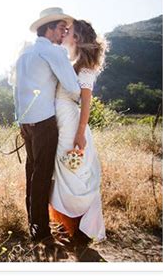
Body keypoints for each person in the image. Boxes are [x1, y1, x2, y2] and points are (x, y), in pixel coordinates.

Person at [14, 7, 80, 245]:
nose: (64, 33)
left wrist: (19, 117)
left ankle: (34, 223)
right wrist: (78, 102)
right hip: (44, 121)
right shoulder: (54, 52)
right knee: (42, 174)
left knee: (32, 172)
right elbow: (72, 87)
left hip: (25, 121)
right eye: (61, 29)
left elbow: (16, 89)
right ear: (49, 29)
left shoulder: (24, 53)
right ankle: (41, 232)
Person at [49, 19, 108, 251]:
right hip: (63, 123)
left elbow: (86, 103)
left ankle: (79, 229)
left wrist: (80, 134)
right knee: (62, 174)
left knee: (71, 173)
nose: (64, 33)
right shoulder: (69, 64)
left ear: (77, 38)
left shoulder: (84, 69)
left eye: (69, 31)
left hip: (73, 127)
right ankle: (68, 227)